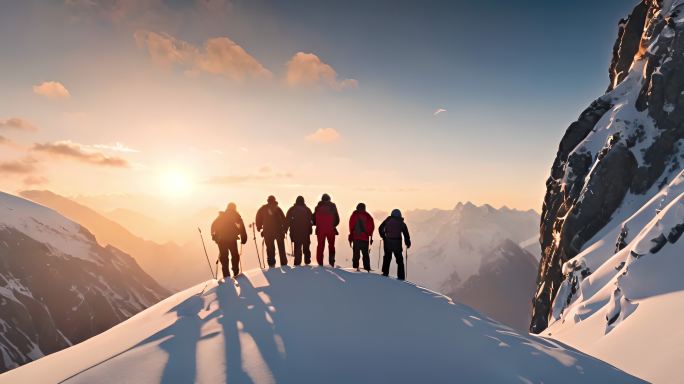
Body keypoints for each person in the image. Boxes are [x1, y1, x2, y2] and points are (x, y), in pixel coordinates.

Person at [211, 202, 248, 279]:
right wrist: (243, 238)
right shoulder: (236, 216)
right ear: (234, 208)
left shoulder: (221, 216)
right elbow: (242, 228)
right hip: (232, 239)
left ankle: (226, 275)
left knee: (224, 256)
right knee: (234, 255)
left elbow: (213, 226)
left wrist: (214, 237)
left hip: (221, 240)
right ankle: (235, 272)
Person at [255, 195, 288, 268]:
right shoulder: (278, 209)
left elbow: (258, 218)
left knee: (270, 248)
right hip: (278, 231)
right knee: (281, 248)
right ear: (274, 200)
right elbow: (284, 220)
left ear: (268, 200)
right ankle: (284, 264)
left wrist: (259, 227)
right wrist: (285, 230)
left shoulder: (263, 209)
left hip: (267, 232)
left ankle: (271, 264)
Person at [379, 209, 411, 280]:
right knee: (399, 260)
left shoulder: (387, 221)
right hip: (397, 243)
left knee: (387, 258)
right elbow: (406, 234)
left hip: (388, 242)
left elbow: (380, 228)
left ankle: (385, 272)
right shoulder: (401, 223)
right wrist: (407, 243)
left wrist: (384, 236)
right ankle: (401, 276)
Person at [285, 196, 314, 266]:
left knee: (297, 247)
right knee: (306, 246)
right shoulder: (307, 210)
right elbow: (312, 220)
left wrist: (285, 230)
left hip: (295, 232)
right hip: (305, 232)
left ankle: (297, 263)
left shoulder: (292, 209)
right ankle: (307, 261)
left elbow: (287, 220)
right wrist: (310, 228)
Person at [313, 193, 340, 267]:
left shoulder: (318, 207)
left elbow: (313, 219)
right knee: (331, 246)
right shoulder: (333, 206)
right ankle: (331, 262)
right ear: (329, 199)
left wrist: (318, 224)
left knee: (320, 246)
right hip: (330, 230)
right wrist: (333, 225)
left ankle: (320, 263)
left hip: (320, 230)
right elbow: (337, 219)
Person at [348, 203, 375, 271]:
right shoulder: (368, 216)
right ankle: (367, 267)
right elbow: (371, 227)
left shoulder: (354, 215)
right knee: (365, 254)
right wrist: (369, 234)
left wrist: (351, 234)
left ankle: (355, 267)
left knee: (356, 254)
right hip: (365, 239)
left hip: (356, 238)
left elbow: (351, 225)